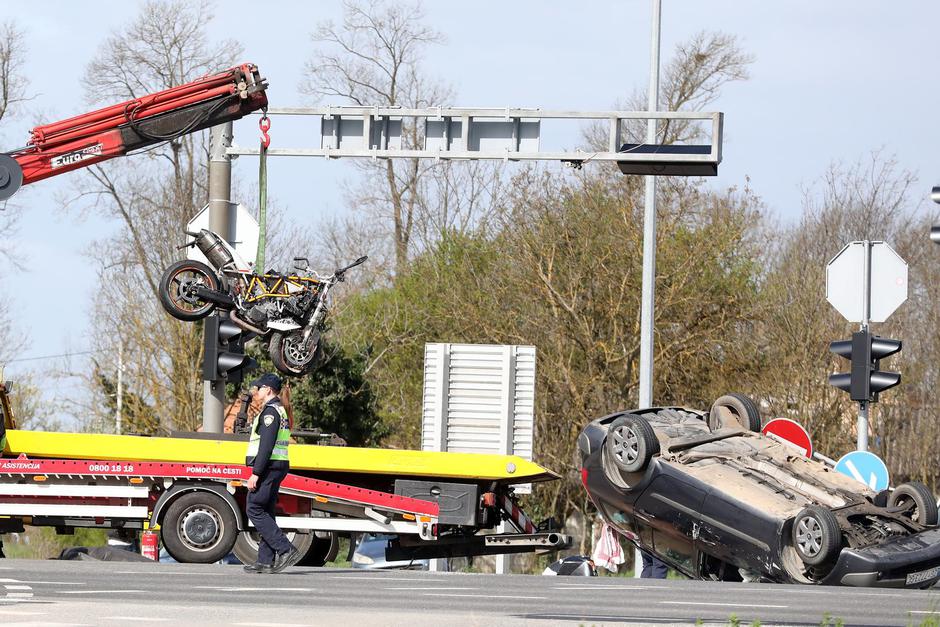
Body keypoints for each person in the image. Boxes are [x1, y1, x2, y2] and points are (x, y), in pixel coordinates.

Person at [243, 373, 299, 574]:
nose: (255, 392)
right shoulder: (278, 410)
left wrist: (256, 473)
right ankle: (265, 560)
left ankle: (286, 548)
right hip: (277, 465)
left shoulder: (270, 413)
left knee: (254, 508)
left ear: (268, 390)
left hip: (269, 466)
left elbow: (266, 446)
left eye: (258, 389)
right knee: (266, 510)